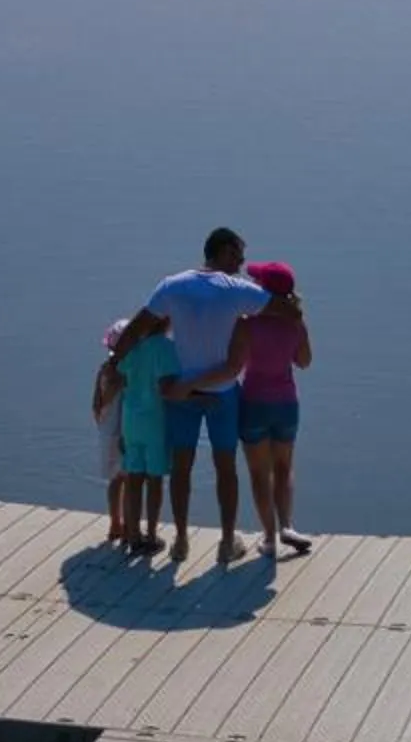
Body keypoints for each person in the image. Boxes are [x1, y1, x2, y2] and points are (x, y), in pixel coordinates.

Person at [111, 227, 298, 562]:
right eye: (238, 257)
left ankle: (181, 539)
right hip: (223, 393)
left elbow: (138, 326)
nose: (241, 266)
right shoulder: (237, 290)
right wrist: (283, 308)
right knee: (226, 466)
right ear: (224, 253)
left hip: (183, 392)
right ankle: (227, 542)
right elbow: (289, 312)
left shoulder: (173, 285)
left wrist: (114, 365)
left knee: (181, 466)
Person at [180, 261, 313, 555]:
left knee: (258, 472)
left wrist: (191, 384)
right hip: (287, 405)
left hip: (253, 403)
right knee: (283, 467)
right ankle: (287, 524)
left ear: (263, 291)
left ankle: (268, 537)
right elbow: (304, 361)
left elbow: (232, 368)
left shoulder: (246, 324)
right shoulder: (296, 323)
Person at [103, 313, 179, 554]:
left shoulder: (134, 348)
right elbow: (169, 384)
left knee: (134, 477)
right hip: (155, 421)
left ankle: (132, 533)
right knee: (155, 479)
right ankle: (152, 534)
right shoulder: (167, 348)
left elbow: (121, 374)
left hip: (130, 421)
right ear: (167, 323)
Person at [93, 320, 131, 547]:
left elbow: (96, 406)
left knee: (115, 480)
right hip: (125, 430)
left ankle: (115, 523)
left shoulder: (104, 370)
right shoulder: (127, 373)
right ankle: (125, 525)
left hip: (108, 432)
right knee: (128, 479)